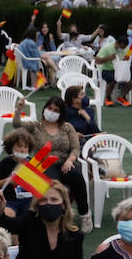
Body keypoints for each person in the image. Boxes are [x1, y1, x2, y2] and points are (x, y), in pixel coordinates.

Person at [13, 95, 90, 228]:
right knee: (53, 185)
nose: (52, 112)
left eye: (56, 110)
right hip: (45, 164)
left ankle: (84, 214)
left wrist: (70, 160)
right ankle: (59, 215)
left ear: (60, 113)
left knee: (77, 178)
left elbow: (75, 147)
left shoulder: (67, 127)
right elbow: (16, 124)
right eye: (50, 108)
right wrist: (18, 110)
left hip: (65, 162)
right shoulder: (36, 126)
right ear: (44, 109)